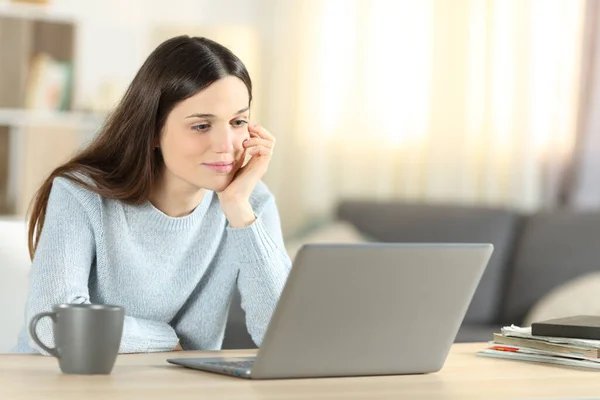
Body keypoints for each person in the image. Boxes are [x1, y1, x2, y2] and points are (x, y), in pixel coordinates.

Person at [14, 35, 292, 354]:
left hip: (175, 386)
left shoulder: (250, 202)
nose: (226, 144)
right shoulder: (81, 193)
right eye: (202, 126)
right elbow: (52, 325)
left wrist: (240, 212)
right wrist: (163, 339)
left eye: (238, 121)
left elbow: (280, 334)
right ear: (153, 131)